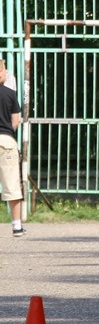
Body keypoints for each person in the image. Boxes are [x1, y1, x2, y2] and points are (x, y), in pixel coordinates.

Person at [0, 61, 24, 237]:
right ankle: (16, 225)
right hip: (5, 141)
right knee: (12, 184)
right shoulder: (10, 94)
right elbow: (15, 121)